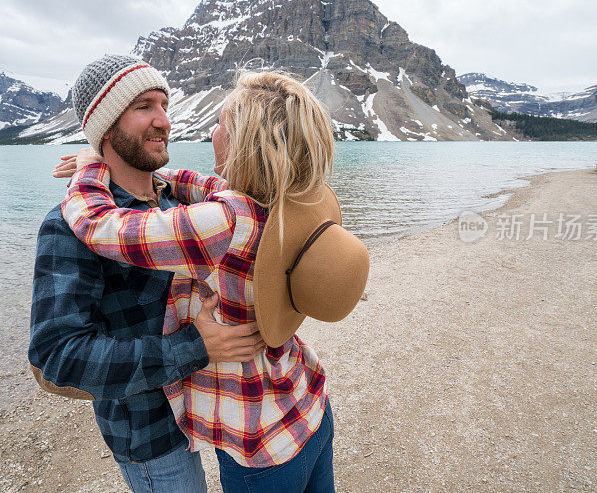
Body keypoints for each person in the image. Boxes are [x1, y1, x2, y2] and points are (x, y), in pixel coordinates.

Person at [57, 71, 369, 492]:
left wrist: (92, 166)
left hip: (262, 441)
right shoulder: (288, 199)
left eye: (221, 123)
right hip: (308, 402)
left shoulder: (222, 224)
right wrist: (159, 179)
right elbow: (209, 185)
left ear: (245, 140)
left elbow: (98, 224)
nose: (211, 131)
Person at [29, 54, 265, 493]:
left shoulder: (178, 205)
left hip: (207, 405)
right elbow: (55, 355)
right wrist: (194, 347)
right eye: (144, 107)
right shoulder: (67, 225)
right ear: (105, 128)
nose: (163, 121)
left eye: (164, 105)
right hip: (152, 434)